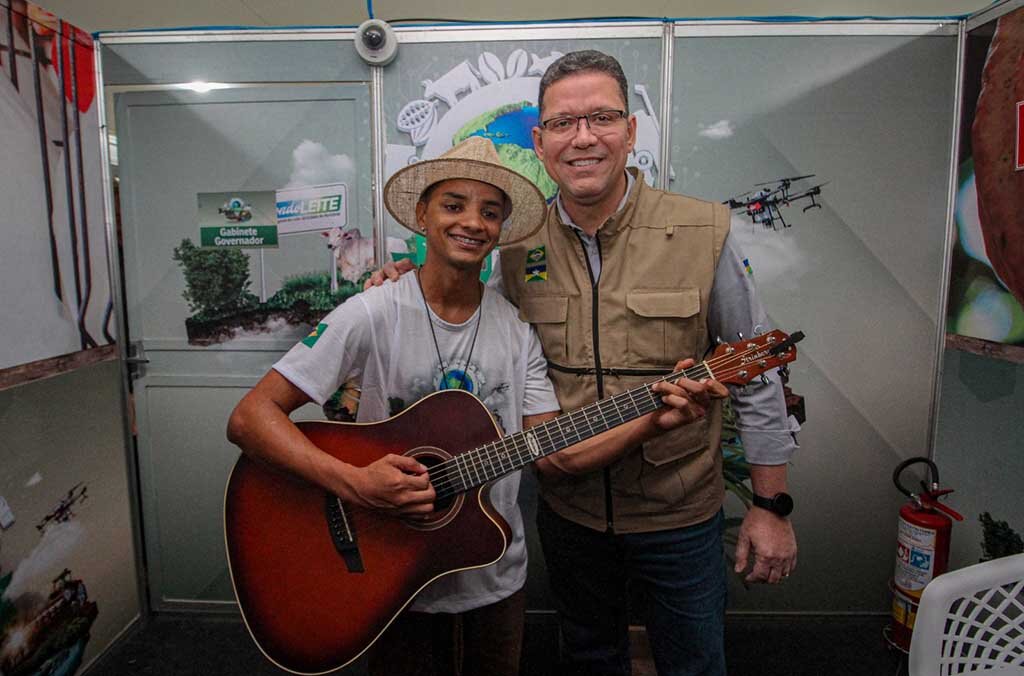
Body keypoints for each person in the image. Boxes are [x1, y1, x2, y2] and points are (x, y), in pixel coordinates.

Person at [371, 50, 799, 676]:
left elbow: (757, 373)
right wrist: (408, 281)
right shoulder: (514, 246)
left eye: (601, 118)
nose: (584, 138)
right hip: (568, 518)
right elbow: (470, 320)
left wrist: (772, 508)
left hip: (678, 517)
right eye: (564, 124)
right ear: (541, 142)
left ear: (630, 131)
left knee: (695, 664)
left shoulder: (704, 230)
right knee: (590, 660)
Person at [226, 136, 717, 676]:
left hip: (492, 571)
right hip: (387, 575)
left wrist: (651, 418)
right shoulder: (371, 313)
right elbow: (252, 418)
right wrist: (353, 482)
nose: (471, 223)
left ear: (501, 227)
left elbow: (556, 456)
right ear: (422, 214)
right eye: (453, 205)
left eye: (489, 211)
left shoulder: (517, 331)